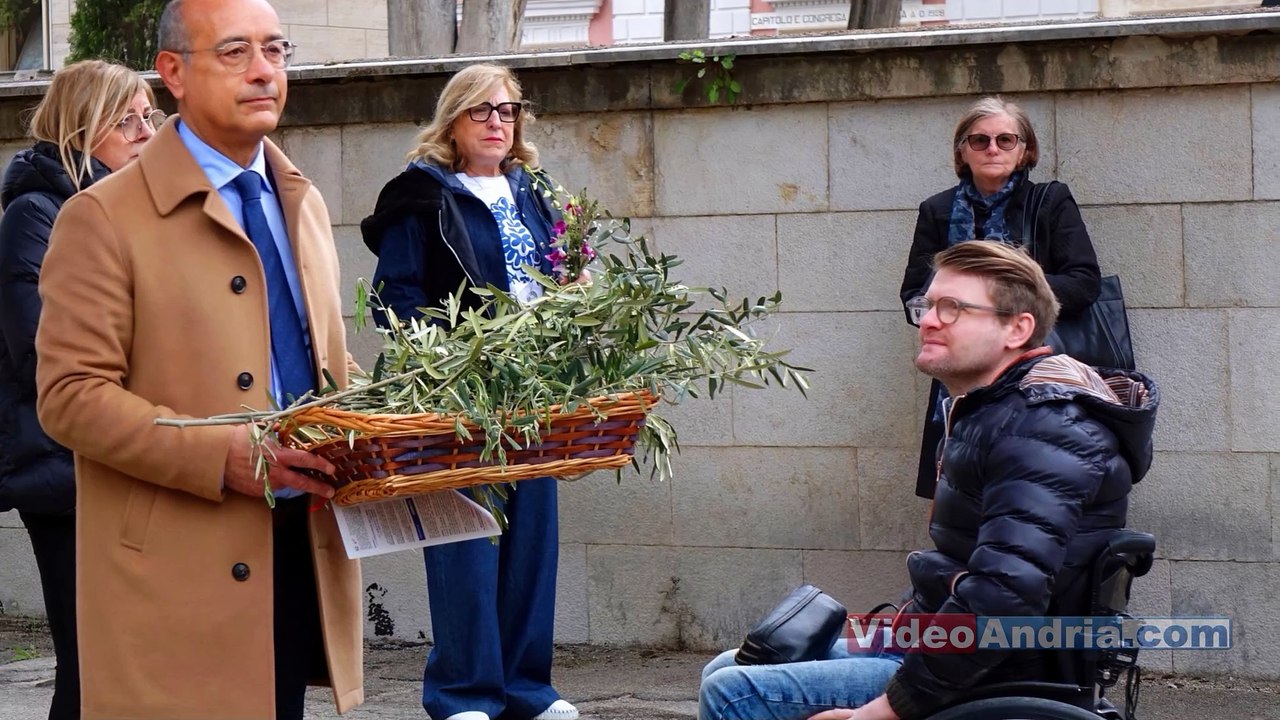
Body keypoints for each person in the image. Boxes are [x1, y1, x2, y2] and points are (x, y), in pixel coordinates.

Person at [33, 1, 363, 718]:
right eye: (236, 52)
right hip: (175, 571)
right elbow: (69, 396)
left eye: (276, 50)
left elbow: (315, 363)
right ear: (173, 73)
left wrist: (399, 421)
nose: (264, 71)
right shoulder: (101, 217)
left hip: (299, 544)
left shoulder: (300, 202)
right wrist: (220, 455)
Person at [699, 240, 1159, 720]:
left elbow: (1004, 596)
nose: (929, 321)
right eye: (928, 305)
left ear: (1017, 328)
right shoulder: (995, 410)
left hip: (999, 669)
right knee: (728, 666)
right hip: (939, 642)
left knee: (733, 693)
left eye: (953, 308)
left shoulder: (1041, 427)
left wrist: (888, 709)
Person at [360, 63, 577, 720]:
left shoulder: (537, 191)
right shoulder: (420, 194)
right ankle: (463, 694)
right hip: (460, 391)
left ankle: (527, 690)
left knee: (531, 542)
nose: (496, 122)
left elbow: (571, 273)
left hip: (536, 390)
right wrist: (446, 361)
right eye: (481, 110)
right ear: (452, 121)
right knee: (466, 541)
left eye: (507, 110)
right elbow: (395, 296)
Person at [0, 59, 159, 720]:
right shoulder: (36, 214)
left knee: (135, 659)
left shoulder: (136, 210)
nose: (147, 133)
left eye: (150, 116)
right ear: (81, 128)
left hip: (127, 455)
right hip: (64, 469)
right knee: (93, 661)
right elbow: (42, 350)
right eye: (128, 121)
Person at [901, 96, 1103, 500]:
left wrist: (1002, 298)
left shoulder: (1049, 202)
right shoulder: (937, 210)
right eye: (979, 140)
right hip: (961, 372)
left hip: (1033, 368)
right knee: (957, 490)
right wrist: (954, 312)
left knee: (1030, 483)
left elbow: (1084, 282)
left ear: (1025, 150)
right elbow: (913, 294)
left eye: (1005, 140)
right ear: (963, 151)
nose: (992, 149)